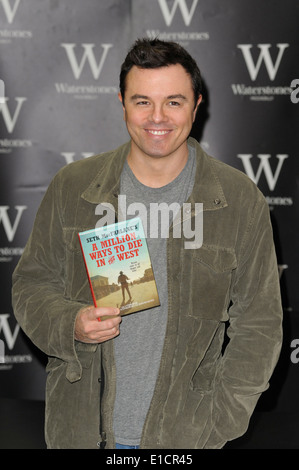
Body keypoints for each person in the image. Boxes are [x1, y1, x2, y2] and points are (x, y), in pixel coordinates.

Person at [12, 38, 283, 449]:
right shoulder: (73, 187)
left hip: (184, 440)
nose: (158, 117)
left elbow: (260, 326)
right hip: (81, 434)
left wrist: (217, 426)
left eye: (174, 102)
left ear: (197, 105)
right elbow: (30, 287)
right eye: (142, 102)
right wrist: (70, 323)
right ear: (122, 103)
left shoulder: (239, 200)